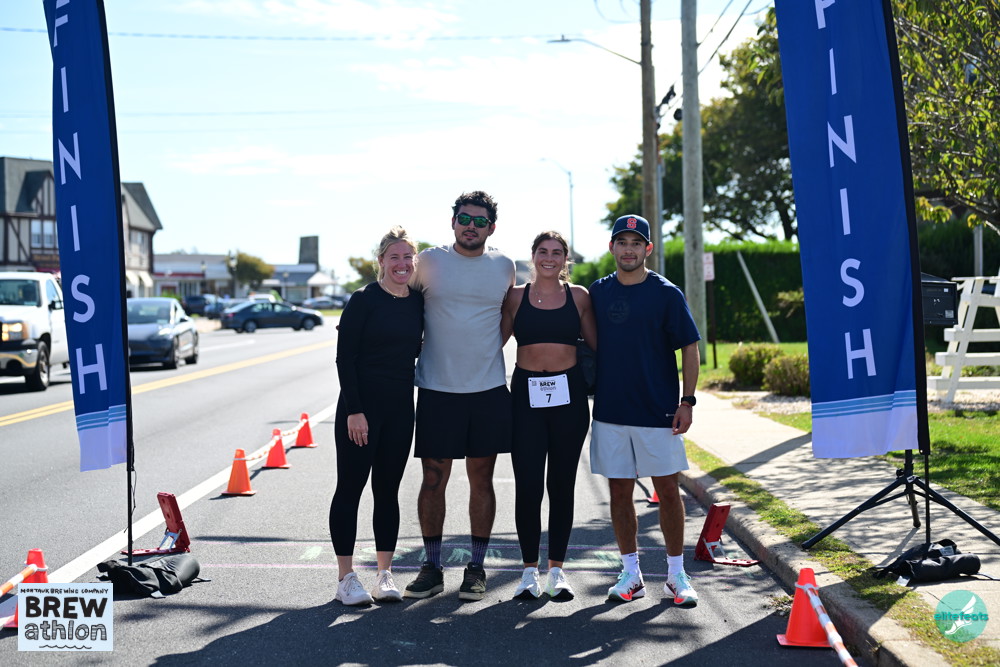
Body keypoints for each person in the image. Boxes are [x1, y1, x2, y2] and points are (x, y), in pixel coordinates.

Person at [403, 190, 516, 601]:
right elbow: (398, 297)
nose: (471, 226)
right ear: (453, 222)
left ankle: (476, 568)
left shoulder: (504, 266)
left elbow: (507, 315)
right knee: (433, 478)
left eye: (480, 221)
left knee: (481, 479)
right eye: (465, 219)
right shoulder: (428, 262)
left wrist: (488, 348)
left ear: (492, 228)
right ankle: (432, 568)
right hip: (437, 389)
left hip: (487, 390)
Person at [589, 214, 702, 607]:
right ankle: (631, 574)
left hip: (658, 412)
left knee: (668, 491)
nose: (629, 249)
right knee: (619, 492)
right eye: (622, 242)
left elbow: (690, 347)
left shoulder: (666, 293)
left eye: (636, 243)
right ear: (612, 247)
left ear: (648, 249)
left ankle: (676, 575)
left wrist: (687, 401)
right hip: (610, 412)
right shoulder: (598, 292)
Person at [329, 227, 424, 606]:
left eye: (407, 257)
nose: (402, 264)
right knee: (350, 489)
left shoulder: (418, 302)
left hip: (400, 409)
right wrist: (355, 410)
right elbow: (345, 358)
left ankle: (385, 575)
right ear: (381, 261)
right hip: (361, 411)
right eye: (394, 257)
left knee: (387, 491)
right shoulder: (363, 300)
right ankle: (345, 579)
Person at [500, 230, 596, 600]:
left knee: (561, 485)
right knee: (527, 486)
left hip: (569, 396)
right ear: (533, 256)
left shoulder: (579, 296)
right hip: (525, 397)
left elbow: (600, 345)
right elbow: (493, 340)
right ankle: (529, 571)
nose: (549, 258)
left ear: (565, 259)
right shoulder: (515, 297)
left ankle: (557, 570)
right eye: (543, 251)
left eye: (557, 252)